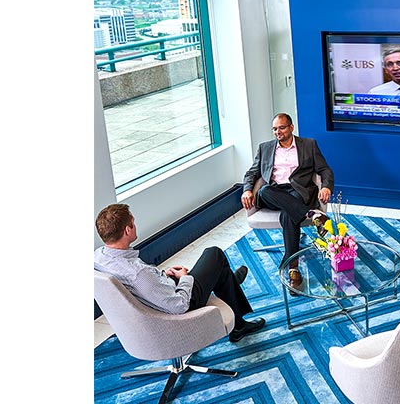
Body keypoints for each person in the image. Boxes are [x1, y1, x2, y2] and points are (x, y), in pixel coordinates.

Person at [94, 203, 266, 343]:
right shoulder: (139, 274)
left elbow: (143, 285)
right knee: (214, 254)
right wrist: (184, 278)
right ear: (127, 230)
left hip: (153, 300)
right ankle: (228, 287)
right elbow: (180, 306)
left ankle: (227, 285)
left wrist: (161, 276)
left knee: (218, 270)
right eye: (133, 222)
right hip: (178, 310)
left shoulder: (98, 257)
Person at [241, 113, 335, 284]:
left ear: (291, 127)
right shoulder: (265, 148)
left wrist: (327, 186)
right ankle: (312, 215)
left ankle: (293, 268)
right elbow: (252, 173)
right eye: (275, 129)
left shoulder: (308, 144)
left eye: (282, 127)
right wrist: (247, 190)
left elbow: (325, 170)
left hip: (299, 191)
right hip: (273, 191)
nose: (278, 132)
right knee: (263, 191)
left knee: (288, 215)